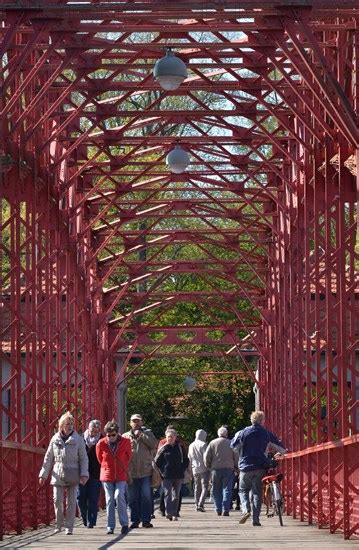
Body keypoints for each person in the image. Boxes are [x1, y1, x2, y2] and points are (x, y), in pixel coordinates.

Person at [230, 410, 286, 527]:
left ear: (251, 420)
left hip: (245, 466)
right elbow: (282, 449)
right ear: (262, 421)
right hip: (260, 466)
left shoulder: (242, 433)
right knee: (257, 493)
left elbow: (233, 446)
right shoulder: (267, 434)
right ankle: (256, 519)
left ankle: (246, 510)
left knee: (243, 490)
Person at [38, 412, 89, 535]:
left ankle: (69, 527)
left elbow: (83, 458)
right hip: (58, 471)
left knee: (71, 502)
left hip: (73, 471)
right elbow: (48, 457)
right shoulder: (55, 439)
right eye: (67, 424)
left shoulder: (78, 439)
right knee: (57, 500)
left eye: (72, 424)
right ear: (61, 425)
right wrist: (43, 474)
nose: (70, 426)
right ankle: (58, 524)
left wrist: (84, 474)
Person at [96, 420, 132, 535]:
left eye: (113, 435)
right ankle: (110, 526)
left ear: (117, 433)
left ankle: (124, 524)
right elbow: (99, 459)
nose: (111, 437)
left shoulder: (126, 442)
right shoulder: (101, 443)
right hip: (107, 475)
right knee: (110, 500)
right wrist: (107, 468)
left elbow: (128, 457)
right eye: (108, 435)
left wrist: (122, 467)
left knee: (119, 496)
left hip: (121, 474)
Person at [123, 413, 158, 529]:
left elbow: (154, 445)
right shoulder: (125, 436)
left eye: (138, 421)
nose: (136, 423)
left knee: (146, 497)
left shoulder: (148, 433)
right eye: (134, 421)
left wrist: (142, 435)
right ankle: (134, 520)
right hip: (131, 472)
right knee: (132, 498)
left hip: (145, 471)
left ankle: (146, 520)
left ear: (142, 422)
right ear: (130, 423)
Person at [154, 428, 189, 521]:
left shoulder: (180, 447)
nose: (169, 439)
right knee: (167, 494)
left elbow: (186, 460)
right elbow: (157, 461)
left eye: (171, 437)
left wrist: (182, 468)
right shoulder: (163, 447)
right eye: (168, 437)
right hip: (166, 475)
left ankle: (174, 513)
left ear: (175, 437)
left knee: (176, 494)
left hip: (178, 474)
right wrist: (162, 470)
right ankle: (168, 513)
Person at [204, 426, 237, 516]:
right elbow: (236, 456)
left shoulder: (212, 443)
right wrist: (236, 467)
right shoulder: (231, 443)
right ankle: (225, 508)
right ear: (226, 434)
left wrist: (209, 465)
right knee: (227, 489)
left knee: (216, 490)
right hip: (229, 469)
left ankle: (218, 508)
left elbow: (207, 456)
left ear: (218, 434)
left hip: (216, 469)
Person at [77, 419, 103, 528]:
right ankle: (84, 518)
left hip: (96, 473)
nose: (94, 434)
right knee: (81, 497)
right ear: (88, 428)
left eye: (96, 432)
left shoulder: (102, 440)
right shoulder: (80, 438)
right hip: (81, 472)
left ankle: (91, 522)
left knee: (93, 498)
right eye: (92, 431)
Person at [188, 429, 210, 512]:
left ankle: (196, 503)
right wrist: (209, 467)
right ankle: (201, 504)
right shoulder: (203, 444)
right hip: (204, 468)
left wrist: (189, 469)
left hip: (194, 468)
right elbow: (206, 457)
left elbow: (189, 457)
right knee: (205, 486)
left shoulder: (191, 445)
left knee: (197, 487)